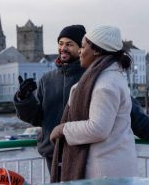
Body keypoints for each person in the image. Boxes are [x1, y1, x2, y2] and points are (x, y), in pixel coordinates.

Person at [14, 25, 149, 173]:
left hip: (82, 154)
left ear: (82, 47)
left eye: (70, 44)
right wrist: (24, 99)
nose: (63, 48)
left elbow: (131, 112)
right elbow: (37, 118)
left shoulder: (95, 76)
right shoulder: (47, 80)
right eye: (60, 43)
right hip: (53, 153)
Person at [50, 26, 138, 181]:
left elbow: (98, 129)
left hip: (104, 171)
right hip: (109, 166)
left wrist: (63, 129)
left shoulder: (105, 84)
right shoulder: (108, 77)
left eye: (83, 47)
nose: (79, 51)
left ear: (96, 51)